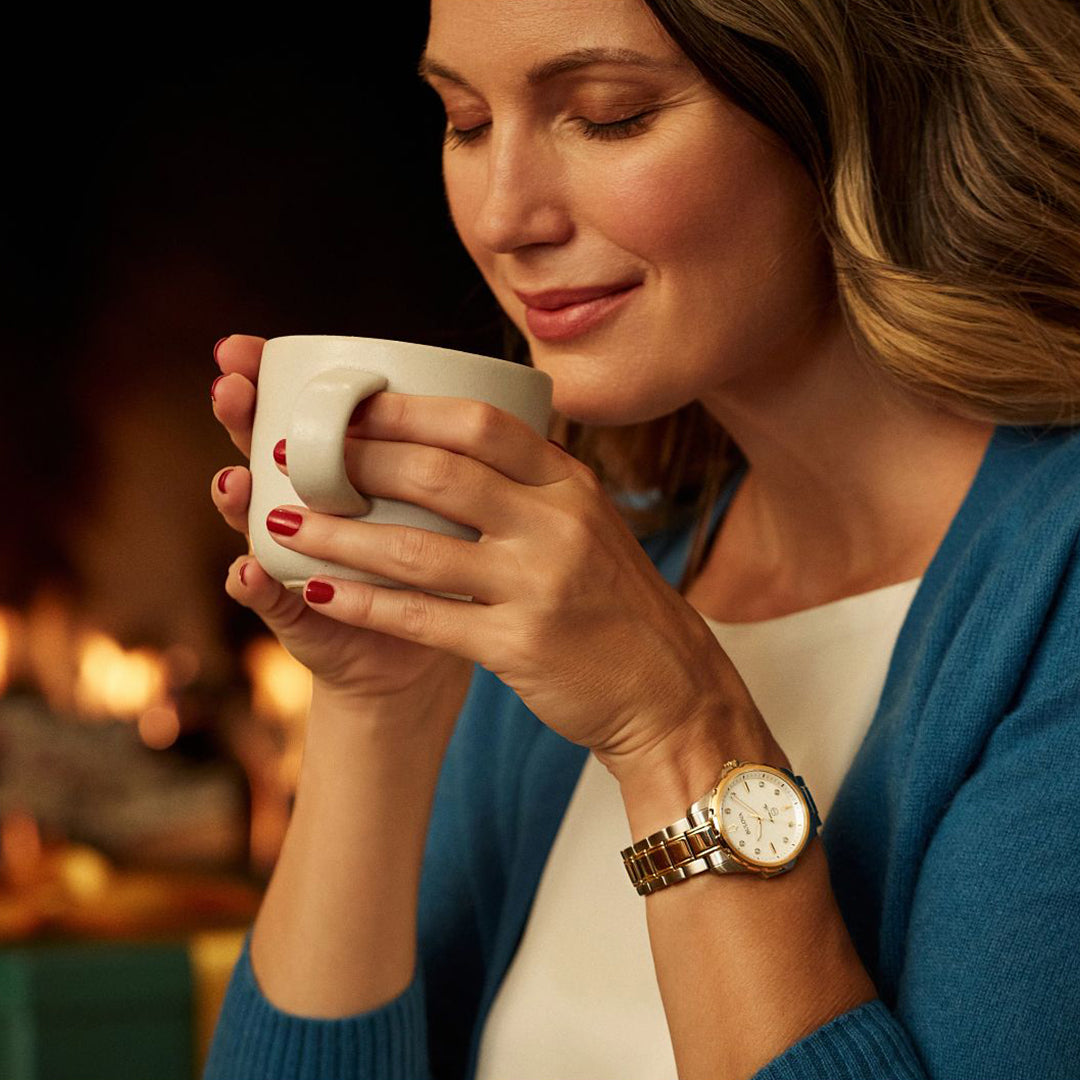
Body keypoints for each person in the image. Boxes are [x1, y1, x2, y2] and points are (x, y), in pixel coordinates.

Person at [203, 0, 1080, 1077]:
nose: (503, 217)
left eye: (609, 116)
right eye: (467, 122)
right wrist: (377, 709)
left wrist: (677, 734)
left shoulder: (1053, 601)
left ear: (853, 111)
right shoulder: (586, 578)